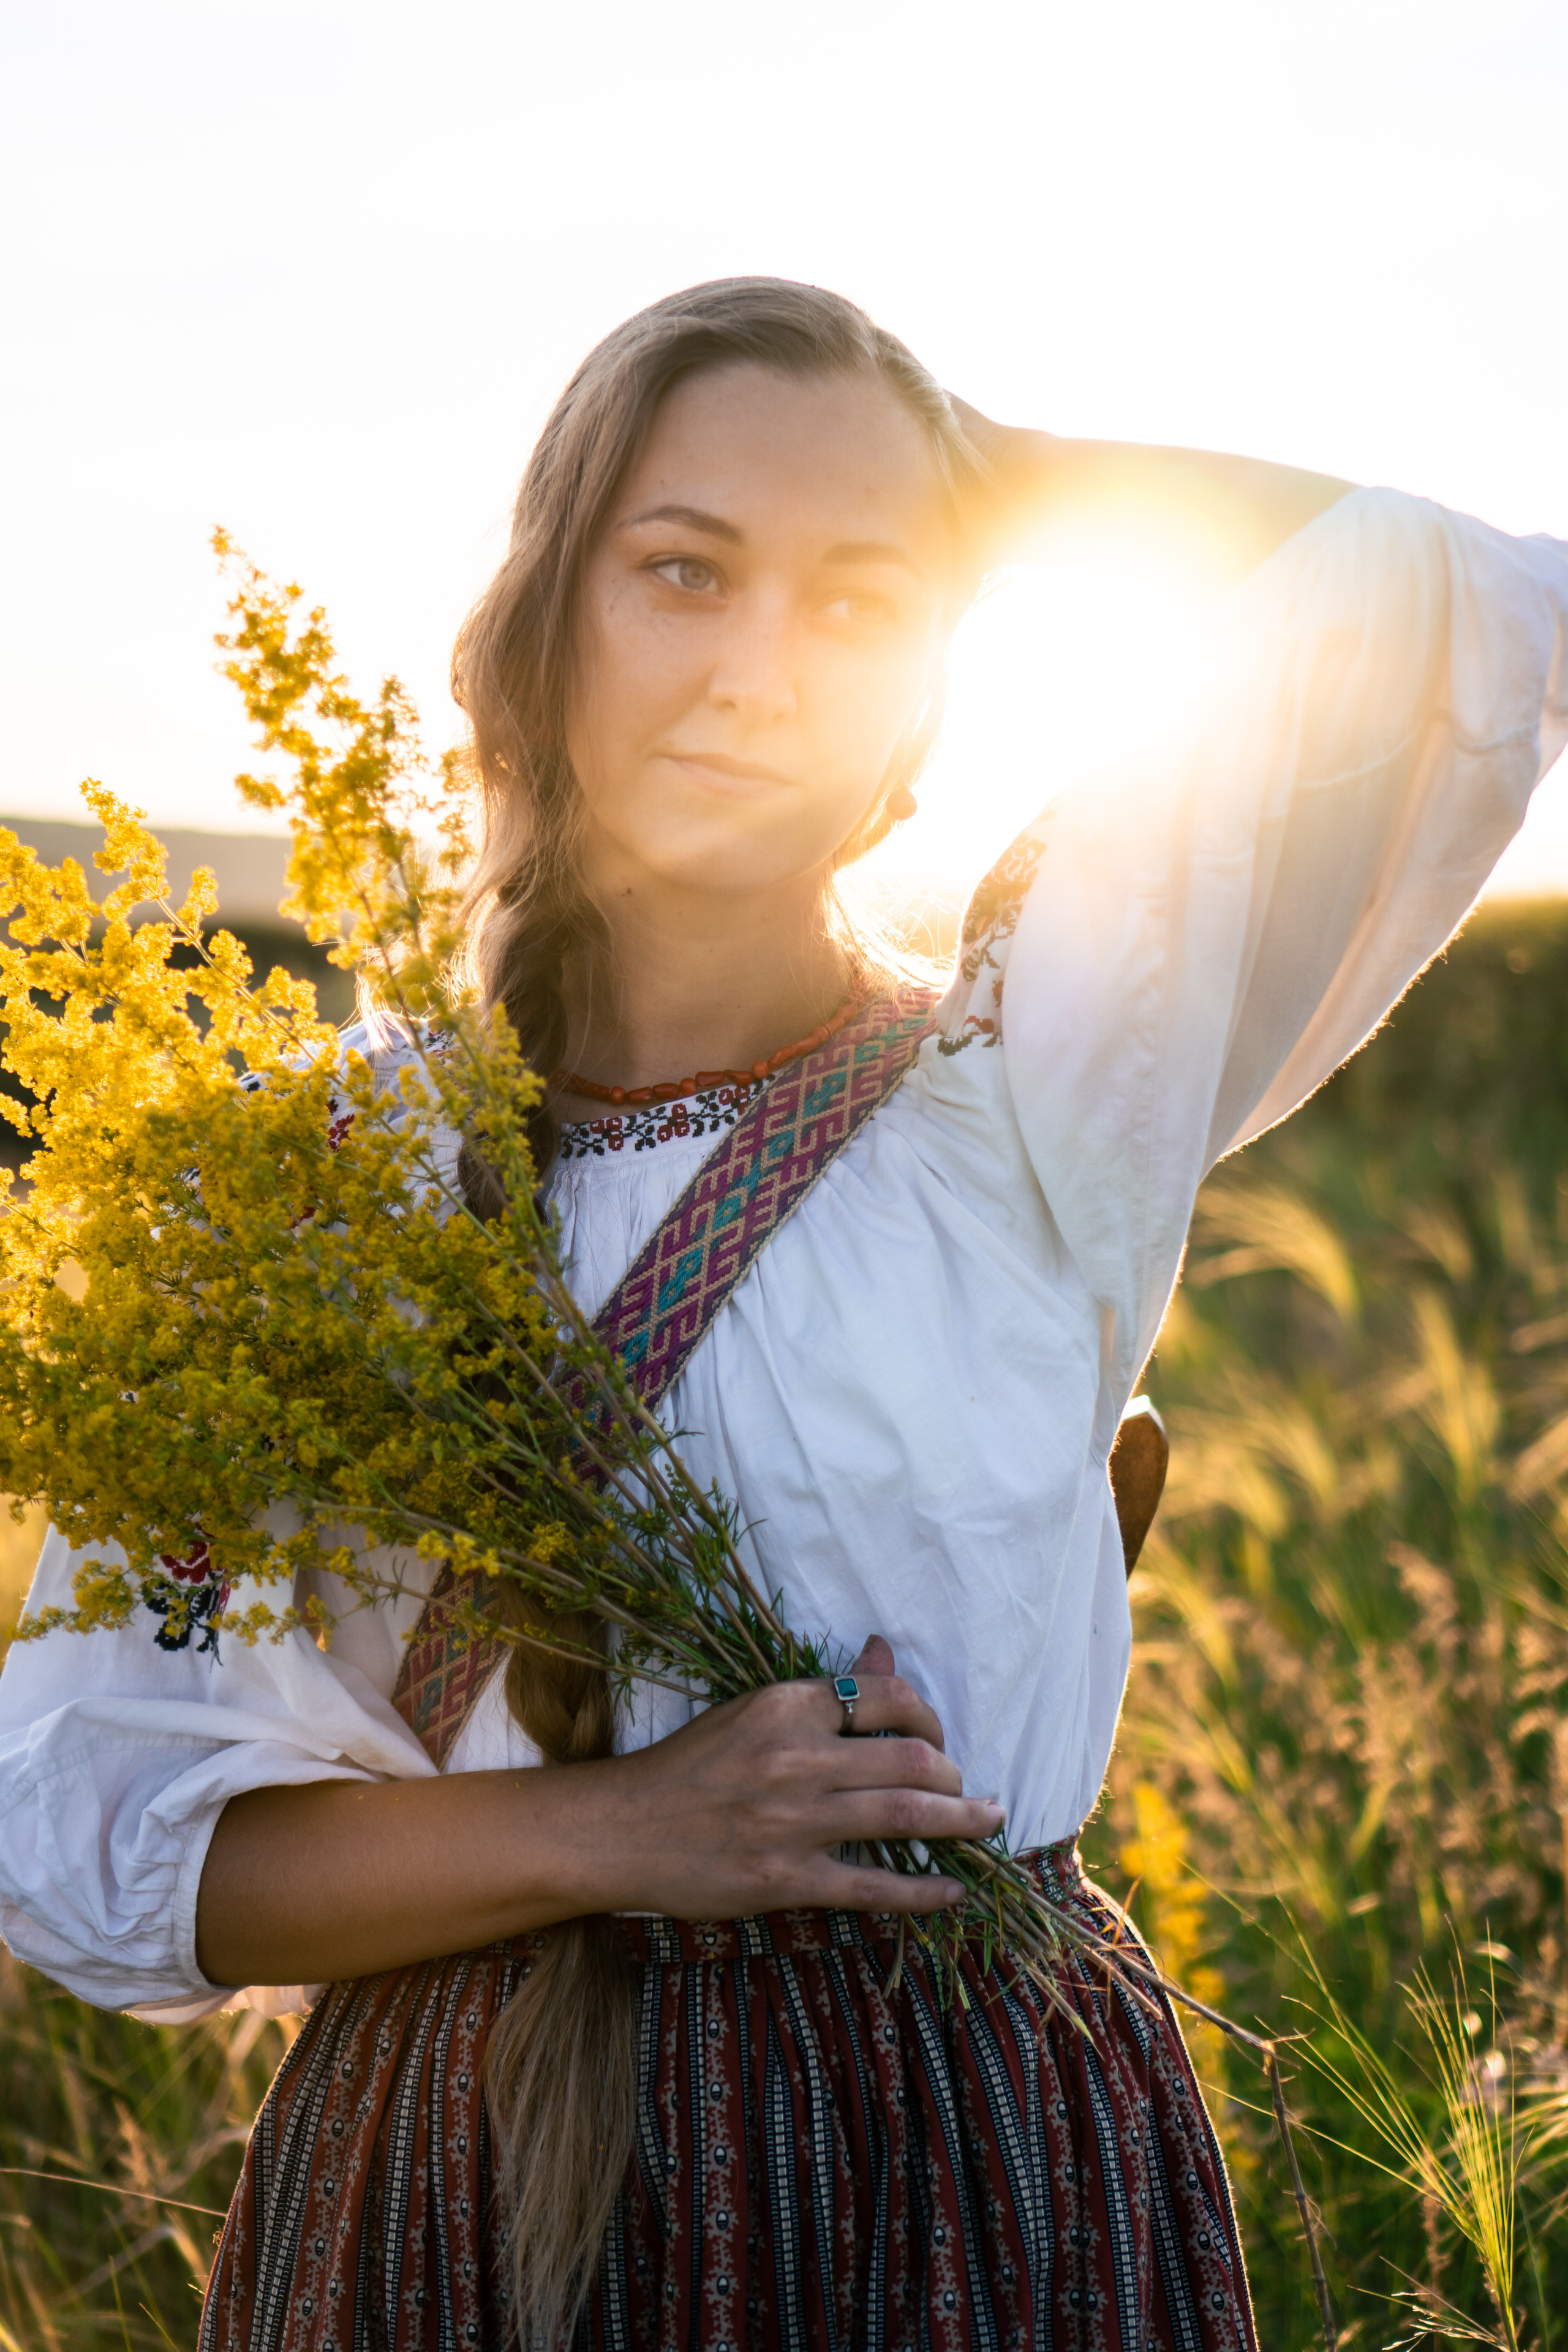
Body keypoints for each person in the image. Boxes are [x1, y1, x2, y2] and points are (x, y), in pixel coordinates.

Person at [1, 277, 1565, 2352]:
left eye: (858, 603)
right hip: (465, 2203)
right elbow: (110, 1841)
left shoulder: (1035, 1080)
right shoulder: (295, 1193)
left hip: (982, 2166)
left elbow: (1465, 610)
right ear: (540, 626)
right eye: (683, 572)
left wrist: (997, 477)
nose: (761, 673)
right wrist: (629, 1831)